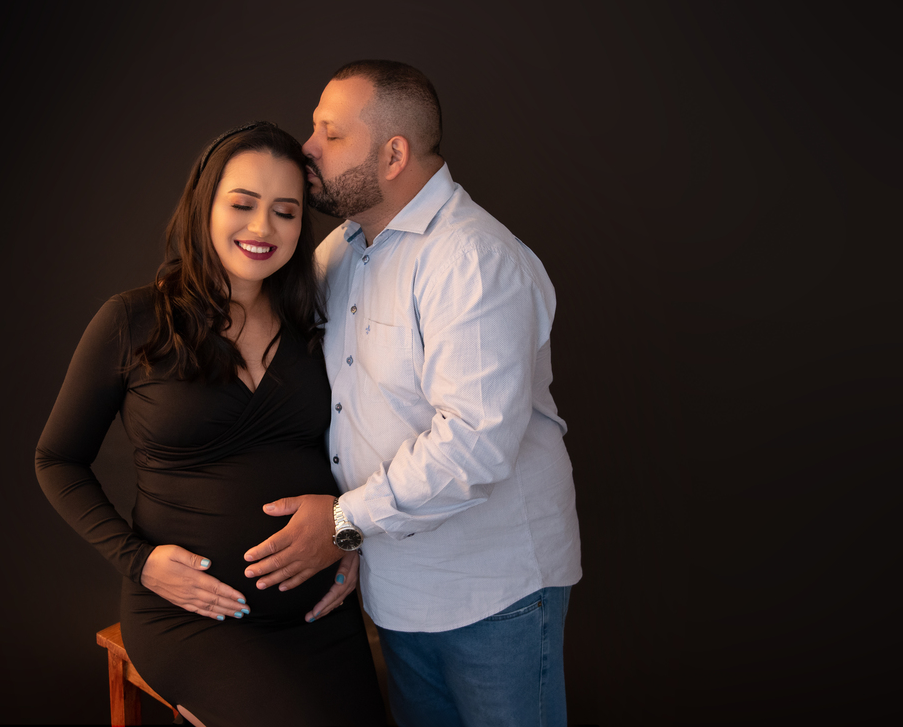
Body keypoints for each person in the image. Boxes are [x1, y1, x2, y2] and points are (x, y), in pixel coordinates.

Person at [242, 62, 583, 727]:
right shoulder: (339, 253)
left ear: (393, 154)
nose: (306, 148)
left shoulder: (472, 258)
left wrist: (343, 522)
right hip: (395, 587)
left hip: (495, 591)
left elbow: (474, 445)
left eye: (330, 133)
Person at [35, 122, 386, 727]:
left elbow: (352, 446)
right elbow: (57, 460)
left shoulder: (317, 321)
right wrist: (138, 561)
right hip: (194, 617)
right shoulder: (132, 320)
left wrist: (348, 532)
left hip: (317, 614)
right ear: (204, 206)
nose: (262, 228)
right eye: (243, 204)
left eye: (285, 211)